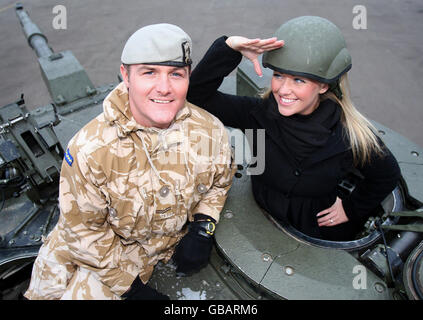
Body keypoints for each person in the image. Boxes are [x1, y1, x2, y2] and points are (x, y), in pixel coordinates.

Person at [24, 23, 235, 300]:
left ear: (189, 76)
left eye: (176, 74)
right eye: (149, 73)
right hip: (97, 248)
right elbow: (85, 232)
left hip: (152, 248)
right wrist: (130, 288)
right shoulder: (91, 149)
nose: (164, 88)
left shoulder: (210, 131)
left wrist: (202, 228)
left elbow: (219, 182)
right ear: (126, 75)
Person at [187, 16, 401, 241]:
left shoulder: (350, 135)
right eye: (278, 75)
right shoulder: (257, 115)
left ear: (323, 85)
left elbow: (387, 174)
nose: (283, 90)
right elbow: (196, 96)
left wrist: (351, 208)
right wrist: (229, 48)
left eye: (299, 80)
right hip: (261, 218)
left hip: (318, 233)